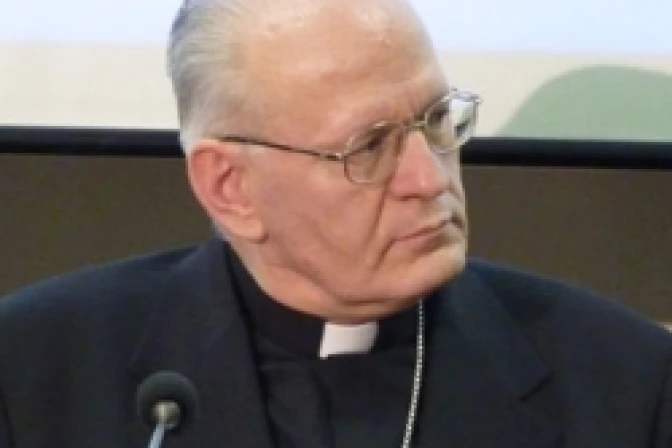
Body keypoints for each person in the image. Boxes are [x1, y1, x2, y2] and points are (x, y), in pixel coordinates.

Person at [1, 0, 671, 446]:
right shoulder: (32, 374)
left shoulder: (624, 385)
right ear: (230, 187)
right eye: (370, 147)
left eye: (439, 119)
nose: (429, 179)